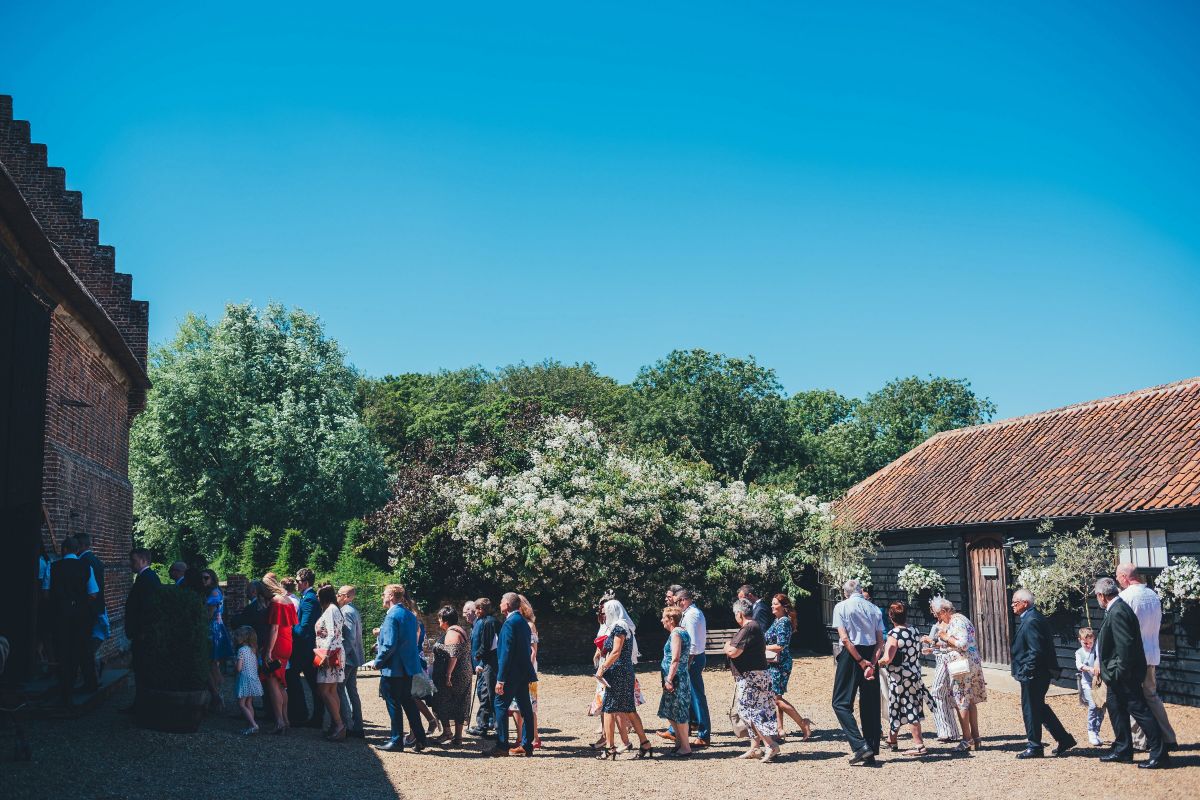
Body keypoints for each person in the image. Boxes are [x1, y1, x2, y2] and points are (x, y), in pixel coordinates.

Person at [1094, 577, 1169, 769]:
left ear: (1102, 595)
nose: (1097, 599)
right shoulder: (1117, 608)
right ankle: (1123, 749)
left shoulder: (1118, 611)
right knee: (1115, 709)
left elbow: (1125, 646)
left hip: (1123, 675)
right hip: (1117, 674)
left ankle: (1159, 754)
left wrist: (1118, 673)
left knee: (1140, 711)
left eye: (1097, 596)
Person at [1115, 563, 1178, 751]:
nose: (1117, 580)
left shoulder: (1125, 597)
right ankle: (1168, 738)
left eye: (1118, 576)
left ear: (1125, 577)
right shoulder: (1152, 594)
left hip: (1135, 656)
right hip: (1152, 652)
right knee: (1151, 696)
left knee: (1133, 698)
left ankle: (1140, 740)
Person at [1011, 588, 1075, 759]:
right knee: (1039, 707)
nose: (1012, 606)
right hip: (1037, 673)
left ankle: (1035, 746)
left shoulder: (1031, 620)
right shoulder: (1032, 617)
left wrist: (1026, 671)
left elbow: (1036, 651)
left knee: (1030, 709)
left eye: (1015, 602)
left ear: (1025, 603)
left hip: (1035, 674)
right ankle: (1064, 739)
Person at [831, 578, 883, 765]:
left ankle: (860, 746)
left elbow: (844, 639)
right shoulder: (874, 609)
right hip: (871, 654)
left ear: (845, 592)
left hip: (853, 654)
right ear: (861, 591)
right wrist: (872, 664)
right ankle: (871, 748)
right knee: (870, 704)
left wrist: (861, 661)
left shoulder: (841, 607)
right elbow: (880, 641)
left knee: (840, 702)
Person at [925, 597, 987, 751]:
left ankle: (966, 739)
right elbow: (955, 642)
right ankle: (976, 738)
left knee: (961, 701)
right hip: (968, 664)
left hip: (962, 666)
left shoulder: (957, 621)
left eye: (938, 614)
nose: (937, 618)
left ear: (945, 611)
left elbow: (963, 644)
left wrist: (945, 636)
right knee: (969, 700)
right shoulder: (960, 619)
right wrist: (935, 643)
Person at [594, 597, 652, 760]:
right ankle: (645, 743)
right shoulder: (623, 626)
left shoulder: (619, 627)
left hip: (618, 671)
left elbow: (616, 651)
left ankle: (610, 748)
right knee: (628, 709)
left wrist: (603, 668)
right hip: (623, 671)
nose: (604, 616)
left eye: (606, 613)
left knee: (608, 709)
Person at [372, 583, 427, 753]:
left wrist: (377, 661)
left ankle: (396, 740)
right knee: (408, 703)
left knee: (393, 703)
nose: (382, 597)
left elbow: (389, 644)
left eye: (384, 594)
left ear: (390, 597)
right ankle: (420, 738)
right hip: (408, 667)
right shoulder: (410, 615)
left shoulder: (391, 616)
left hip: (393, 668)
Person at [726, 598, 781, 762]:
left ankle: (770, 745)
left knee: (748, 712)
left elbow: (733, 652)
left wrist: (726, 646)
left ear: (739, 613)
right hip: (756, 675)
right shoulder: (754, 626)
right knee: (754, 710)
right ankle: (755, 747)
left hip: (751, 677)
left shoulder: (748, 627)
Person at [48, 536, 98, 705]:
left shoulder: (53, 567)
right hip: (80, 618)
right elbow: (93, 594)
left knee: (62, 652)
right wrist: (80, 605)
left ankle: (65, 692)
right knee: (78, 651)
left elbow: (45, 593)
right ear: (77, 550)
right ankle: (77, 686)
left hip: (59, 616)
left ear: (63, 550)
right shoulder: (86, 567)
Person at [489, 592, 539, 757]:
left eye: (501, 601)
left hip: (511, 674)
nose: (499, 603)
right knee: (526, 708)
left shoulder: (511, 623)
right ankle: (527, 744)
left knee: (500, 705)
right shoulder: (523, 622)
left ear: (508, 604)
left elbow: (506, 652)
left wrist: (501, 679)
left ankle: (502, 745)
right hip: (523, 673)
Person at [878, 601, 927, 754]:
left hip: (899, 677)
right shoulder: (914, 630)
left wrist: (875, 664)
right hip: (913, 673)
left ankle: (919, 745)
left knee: (909, 707)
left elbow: (888, 658)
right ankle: (892, 739)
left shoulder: (894, 634)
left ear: (891, 617)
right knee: (896, 707)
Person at [764, 593, 813, 740]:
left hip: (780, 664)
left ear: (784, 607)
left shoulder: (783, 622)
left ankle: (803, 724)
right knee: (776, 697)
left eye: (775, 603)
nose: (772, 606)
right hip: (774, 663)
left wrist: (762, 647)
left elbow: (781, 645)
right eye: (772, 603)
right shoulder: (777, 620)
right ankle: (779, 730)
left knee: (776, 699)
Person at [260, 572, 298, 734]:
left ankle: (280, 722)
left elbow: (274, 628)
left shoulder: (275, 602)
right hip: (287, 642)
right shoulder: (288, 600)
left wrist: (268, 651)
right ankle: (286, 720)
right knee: (282, 683)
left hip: (277, 644)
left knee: (273, 682)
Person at [124, 548, 160, 713]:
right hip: (141, 632)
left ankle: (143, 707)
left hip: (143, 634)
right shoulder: (146, 578)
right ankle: (141, 705)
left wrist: (142, 632)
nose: (131, 564)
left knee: (143, 671)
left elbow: (149, 608)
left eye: (134, 561)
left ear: (144, 561)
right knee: (141, 671)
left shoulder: (147, 579)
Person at [430, 605, 472, 746]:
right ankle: (458, 737)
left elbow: (452, 655)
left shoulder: (452, 633)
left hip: (454, 675)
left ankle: (448, 732)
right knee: (460, 703)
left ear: (445, 620)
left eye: (439, 619)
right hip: (463, 672)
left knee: (442, 702)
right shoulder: (460, 629)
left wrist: (448, 675)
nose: (438, 621)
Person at [675, 588, 710, 747]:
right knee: (692, 696)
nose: (676, 605)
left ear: (683, 600)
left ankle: (704, 734)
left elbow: (693, 644)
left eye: (677, 602)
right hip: (693, 658)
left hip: (693, 659)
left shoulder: (691, 615)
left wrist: (686, 663)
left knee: (697, 696)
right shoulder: (691, 614)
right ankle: (695, 725)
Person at [923, 601, 962, 743]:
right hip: (942, 659)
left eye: (937, 612)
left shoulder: (952, 623)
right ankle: (950, 731)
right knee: (944, 695)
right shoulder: (939, 625)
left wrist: (933, 643)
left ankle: (947, 731)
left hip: (948, 660)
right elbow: (942, 644)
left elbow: (952, 642)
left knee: (937, 692)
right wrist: (931, 648)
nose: (935, 615)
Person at [657, 605, 693, 757]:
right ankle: (679, 742)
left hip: (676, 679)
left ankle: (685, 747)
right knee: (670, 711)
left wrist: (669, 679)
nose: (662, 620)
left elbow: (675, 658)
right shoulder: (682, 631)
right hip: (679, 677)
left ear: (671, 619)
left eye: (664, 618)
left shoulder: (677, 634)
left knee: (679, 712)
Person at [508, 595, 542, 750]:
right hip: (518, 669)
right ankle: (520, 736)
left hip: (527, 669)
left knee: (529, 705)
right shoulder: (515, 623)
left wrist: (527, 667)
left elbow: (533, 650)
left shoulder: (529, 625)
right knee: (515, 705)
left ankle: (534, 737)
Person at [314, 584, 347, 741]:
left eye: (318, 596)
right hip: (334, 652)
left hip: (329, 654)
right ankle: (336, 725)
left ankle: (339, 725)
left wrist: (325, 655)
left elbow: (332, 635)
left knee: (324, 690)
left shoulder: (330, 610)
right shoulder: (334, 609)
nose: (317, 599)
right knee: (332, 690)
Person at [291, 568, 322, 727]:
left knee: (300, 679)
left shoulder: (309, 599)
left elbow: (304, 628)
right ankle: (312, 716)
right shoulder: (306, 597)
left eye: (297, 581)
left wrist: (289, 628)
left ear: (305, 583)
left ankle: (304, 715)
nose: (295, 584)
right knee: (312, 683)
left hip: (305, 650)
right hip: (305, 648)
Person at [200, 569, 234, 710]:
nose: (203, 580)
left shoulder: (214, 593)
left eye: (206, 578)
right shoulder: (215, 592)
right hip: (216, 629)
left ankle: (217, 696)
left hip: (212, 630)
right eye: (202, 578)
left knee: (210, 664)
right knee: (213, 664)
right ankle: (217, 697)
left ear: (213, 579)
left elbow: (209, 614)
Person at [77, 533, 107, 691]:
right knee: (89, 646)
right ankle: (93, 674)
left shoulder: (82, 562)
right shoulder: (97, 561)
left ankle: (90, 681)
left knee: (85, 647)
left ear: (81, 546)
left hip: (87, 610)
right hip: (98, 609)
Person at [337, 585, 366, 738]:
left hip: (348, 658)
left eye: (339, 594)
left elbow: (349, 638)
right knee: (352, 691)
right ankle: (358, 725)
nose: (337, 596)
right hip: (354, 657)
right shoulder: (353, 609)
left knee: (339, 690)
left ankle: (347, 725)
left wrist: (341, 657)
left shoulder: (346, 611)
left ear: (346, 596)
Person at [469, 597, 499, 738]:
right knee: (486, 694)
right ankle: (483, 726)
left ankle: (498, 729)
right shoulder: (491, 621)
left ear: (481, 609)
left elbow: (486, 644)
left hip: (491, 662)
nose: (475, 612)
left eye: (477, 609)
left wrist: (478, 656)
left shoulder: (488, 622)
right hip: (490, 662)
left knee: (492, 695)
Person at [1075, 627, 1105, 746]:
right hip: (1087, 684)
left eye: (1090, 643)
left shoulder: (1096, 650)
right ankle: (1091, 730)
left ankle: (1096, 730)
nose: (1088, 645)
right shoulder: (1079, 653)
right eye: (1085, 643)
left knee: (1102, 707)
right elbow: (1079, 665)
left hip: (1099, 683)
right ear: (1080, 640)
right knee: (1093, 705)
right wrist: (1090, 669)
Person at [233, 625, 263, 735]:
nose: (236, 637)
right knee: (249, 703)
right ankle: (250, 725)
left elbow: (239, 668)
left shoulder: (241, 650)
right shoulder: (253, 650)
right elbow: (256, 666)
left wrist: (235, 663)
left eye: (238, 635)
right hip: (253, 678)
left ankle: (254, 725)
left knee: (241, 704)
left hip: (244, 679)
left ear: (244, 638)